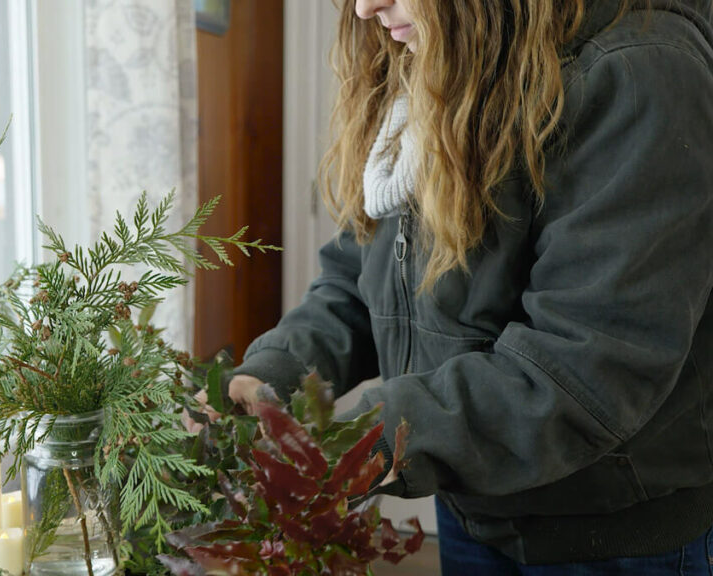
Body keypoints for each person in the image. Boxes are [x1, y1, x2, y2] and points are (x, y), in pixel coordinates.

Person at [198, 0, 713, 573]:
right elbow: (359, 278)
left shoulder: (638, 71)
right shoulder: (438, 68)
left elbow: (587, 364)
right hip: (473, 506)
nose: (366, 7)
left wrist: (366, 440)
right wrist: (268, 375)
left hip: (612, 535)